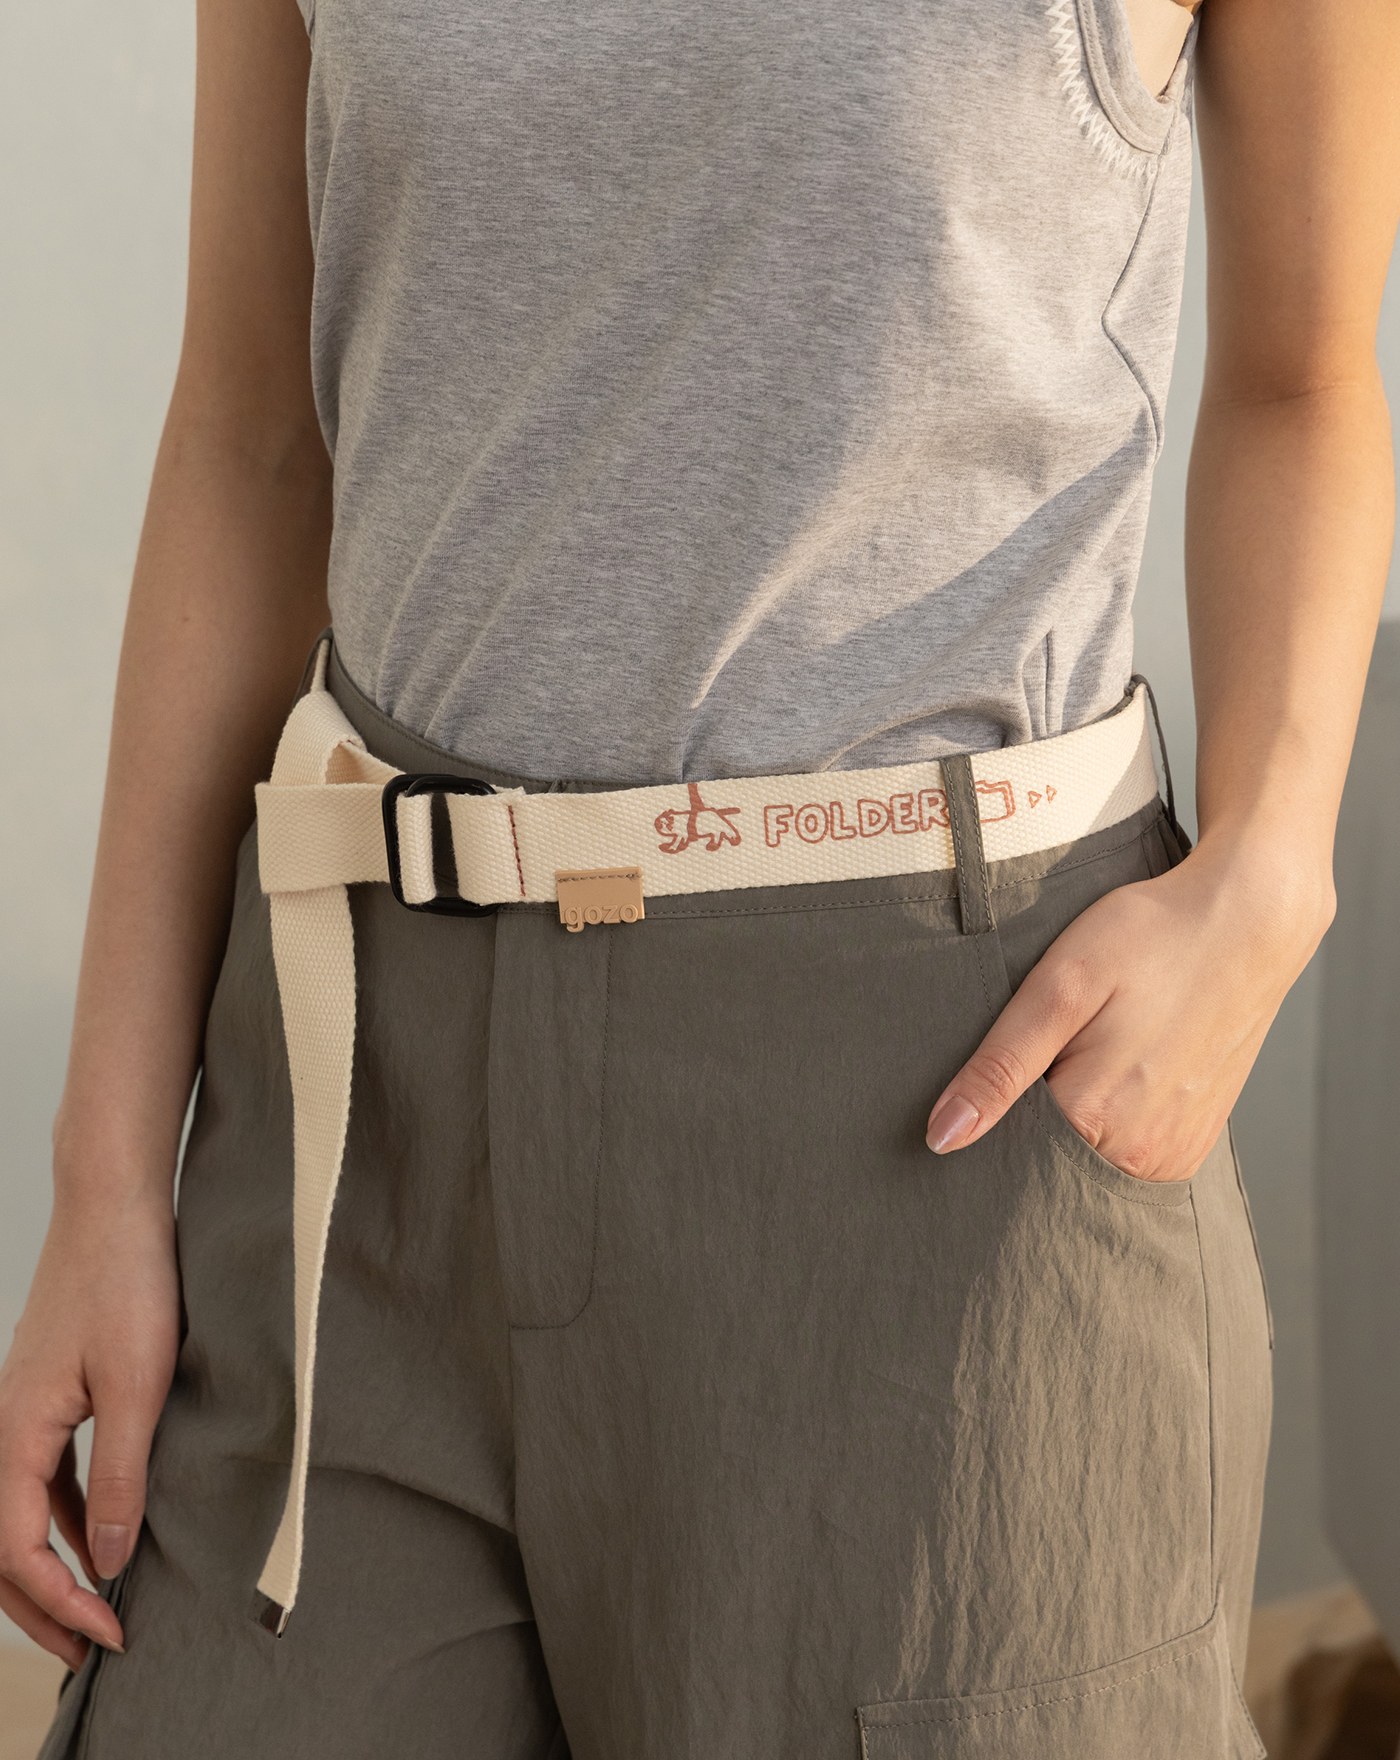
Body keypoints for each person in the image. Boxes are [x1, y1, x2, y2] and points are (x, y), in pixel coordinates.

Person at [3, 0, 1397, 1752]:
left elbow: (1305, 378)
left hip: (937, 1121)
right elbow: (252, 434)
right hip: (362, 1130)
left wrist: (1272, 875)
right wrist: (105, 1176)